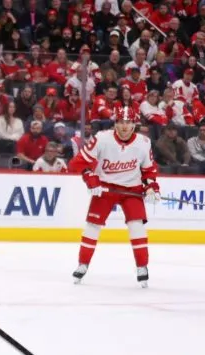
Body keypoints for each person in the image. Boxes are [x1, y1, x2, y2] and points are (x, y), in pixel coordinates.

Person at [68, 106, 160, 287]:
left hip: (132, 190)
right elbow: (77, 162)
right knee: (92, 226)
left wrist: (151, 188)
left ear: (134, 124)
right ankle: (82, 264)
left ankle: (142, 267)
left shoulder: (144, 142)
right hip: (106, 188)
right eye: (121, 122)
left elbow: (149, 170)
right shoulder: (102, 139)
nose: (125, 126)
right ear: (115, 123)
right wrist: (91, 179)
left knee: (136, 226)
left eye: (128, 122)